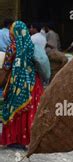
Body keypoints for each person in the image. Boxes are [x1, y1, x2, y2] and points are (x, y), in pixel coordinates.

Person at [0, 21, 44, 149]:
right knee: (32, 109)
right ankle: (32, 138)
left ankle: (14, 138)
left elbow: (7, 66)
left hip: (17, 82)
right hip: (33, 82)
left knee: (14, 108)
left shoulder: (12, 47)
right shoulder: (30, 45)